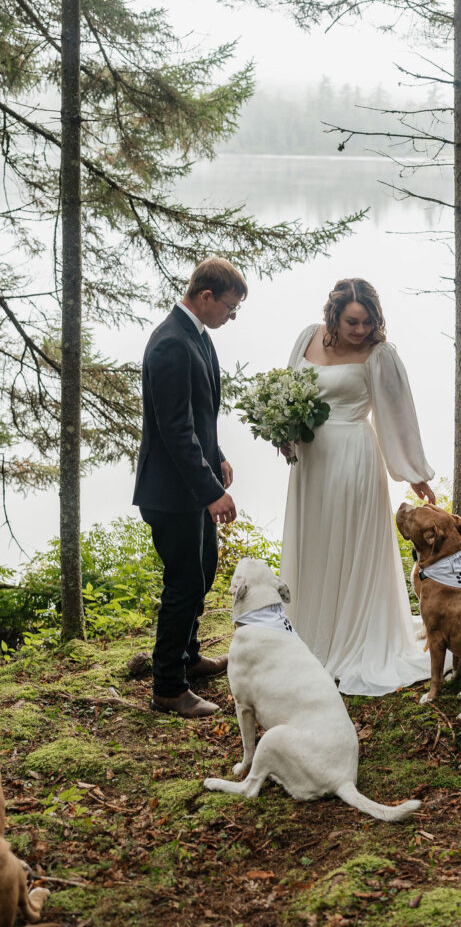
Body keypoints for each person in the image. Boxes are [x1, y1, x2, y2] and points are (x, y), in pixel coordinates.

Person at [280, 277, 436, 696]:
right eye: (352, 321)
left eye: (367, 322)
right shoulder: (306, 338)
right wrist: (284, 431)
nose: (360, 330)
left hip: (354, 457)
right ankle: (310, 633)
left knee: (348, 543)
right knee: (315, 543)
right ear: (333, 315)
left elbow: (397, 414)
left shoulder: (378, 354)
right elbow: (287, 391)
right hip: (310, 463)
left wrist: (413, 471)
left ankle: (354, 636)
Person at [133, 257, 247, 718]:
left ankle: (190, 656)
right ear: (205, 297)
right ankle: (168, 686)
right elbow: (175, 429)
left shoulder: (198, 337)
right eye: (230, 307)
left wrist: (216, 456)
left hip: (193, 483)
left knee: (203, 567)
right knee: (184, 582)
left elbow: (201, 415)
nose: (230, 317)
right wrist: (210, 490)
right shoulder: (170, 344)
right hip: (170, 491)